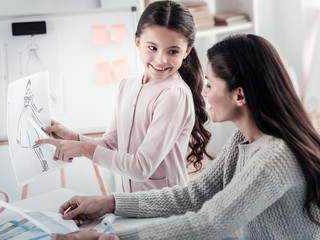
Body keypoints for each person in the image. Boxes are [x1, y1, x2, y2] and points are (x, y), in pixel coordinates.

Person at [50, 33, 320, 240]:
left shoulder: (275, 156)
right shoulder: (243, 141)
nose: (203, 93)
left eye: (210, 84)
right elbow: (194, 195)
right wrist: (111, 203)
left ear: (239, 95)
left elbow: (213, 222)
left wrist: (113, 238)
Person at [36, 0, 212, 192]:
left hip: (164, 211)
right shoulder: (127, 86)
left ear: (186, 51)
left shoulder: (173, 95)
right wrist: (74, 138)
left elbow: (141, 167)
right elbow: (111, 146)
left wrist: (83, 150)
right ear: (137, 41)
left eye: (173, 51)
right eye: (152, 47)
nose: (161, 59)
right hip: (129, 207)